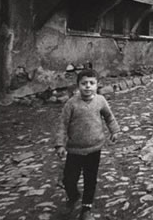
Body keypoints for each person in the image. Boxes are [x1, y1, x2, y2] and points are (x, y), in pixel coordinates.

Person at [55, 69, 119, 220]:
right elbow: (62, 125)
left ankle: (86, 208)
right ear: (78, 85)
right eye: (84, 83)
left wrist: (114, 131)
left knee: (90, 178)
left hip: (94, 149)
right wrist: (60, 144)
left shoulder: (100, 100)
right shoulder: (71, 104)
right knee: (69, 179)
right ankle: (73, 195)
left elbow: (109, 117)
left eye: (92, 83)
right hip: (75, 149)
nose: (88, 86)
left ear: (97, 85)